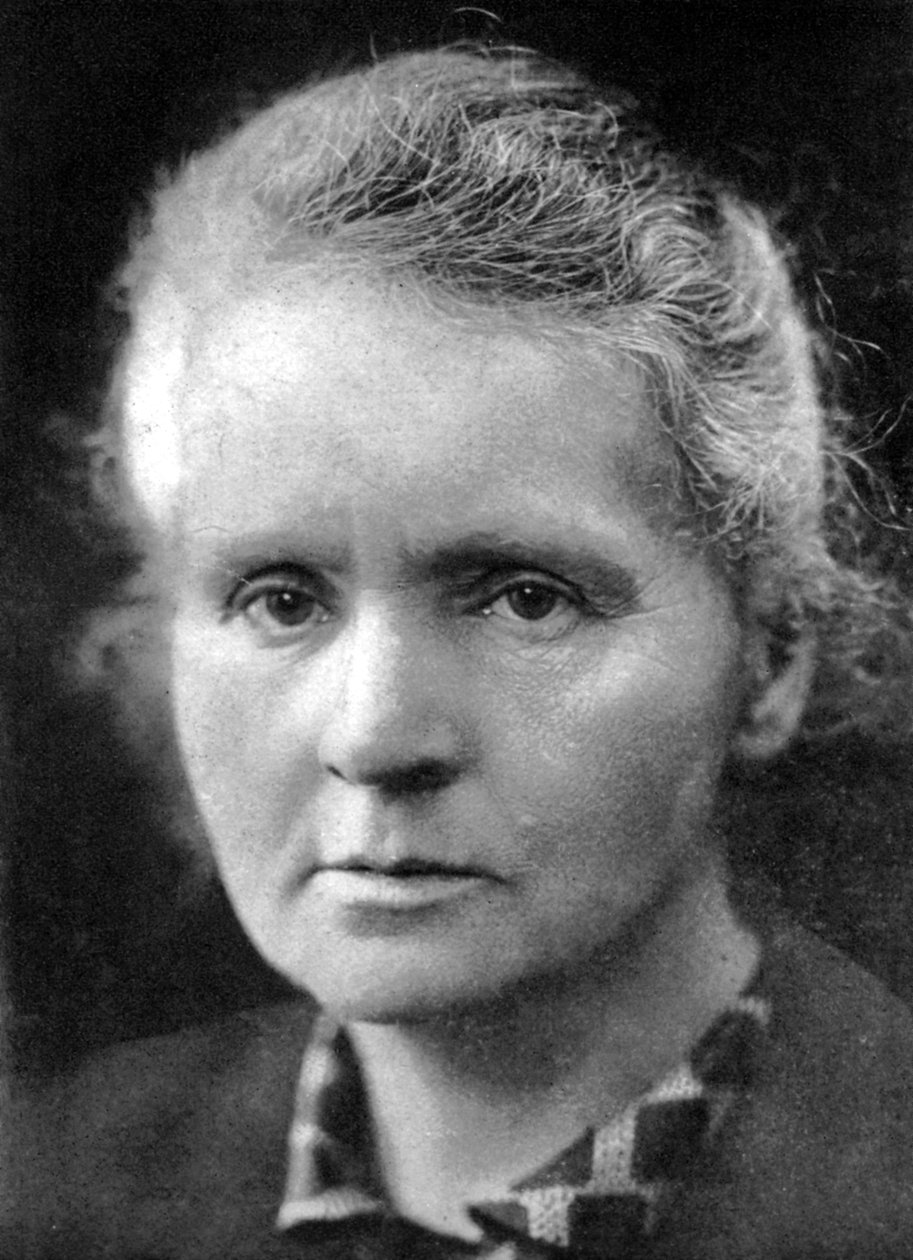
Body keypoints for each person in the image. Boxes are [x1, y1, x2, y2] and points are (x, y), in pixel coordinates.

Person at [8, 45, 913, 1260]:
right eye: (280, 599)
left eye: (524, 599)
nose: (375, 735)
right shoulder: (53, 1195)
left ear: (771, 655)